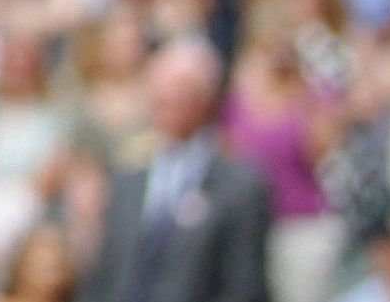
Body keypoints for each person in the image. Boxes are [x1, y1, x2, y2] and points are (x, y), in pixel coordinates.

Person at [76, 40, 269, 302]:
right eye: (159, 89)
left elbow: (243, 286)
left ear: (206, 97)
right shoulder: (126, 178)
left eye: (179, 89)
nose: (166, 98)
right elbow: (104, 276)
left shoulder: (239, 186)